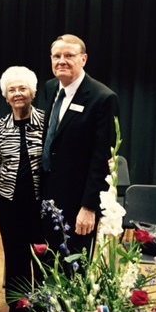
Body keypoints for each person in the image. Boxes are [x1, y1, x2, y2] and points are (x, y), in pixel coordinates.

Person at [40, 34, 119, 262]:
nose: (62, 60)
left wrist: (89, 208)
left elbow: (101, 159)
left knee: (74, 266)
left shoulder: (103, 98)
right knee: (50, 262)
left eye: (69, 55)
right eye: (57, 56)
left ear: (83, 59)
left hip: (78, 200)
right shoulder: (51, 87)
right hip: (49, 192)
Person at [0, 66, 45, 312]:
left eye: (22, 88)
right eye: (12, 90)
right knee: (15, 255)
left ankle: (44, 307)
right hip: (10, 203)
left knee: (44, 255)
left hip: (42, 203)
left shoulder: (47, 123)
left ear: (32, 92)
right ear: (6, 95)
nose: (17, 93)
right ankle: (18, 307)